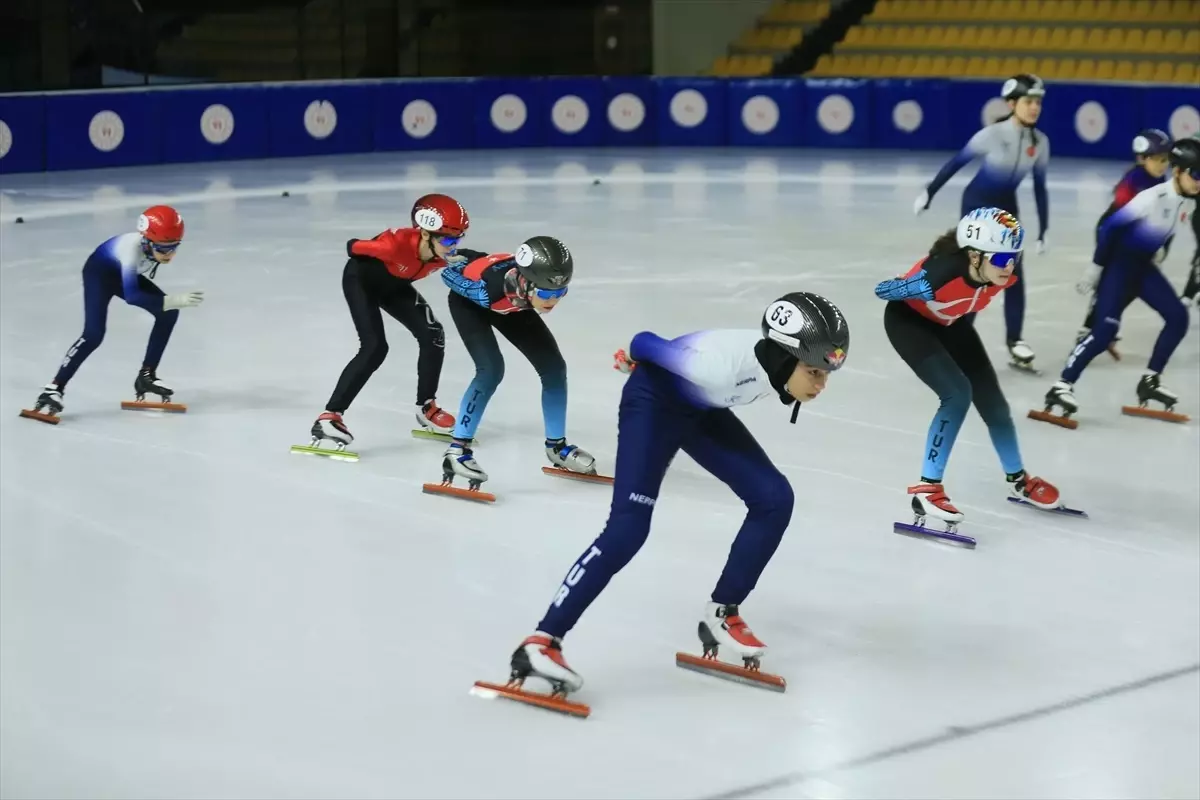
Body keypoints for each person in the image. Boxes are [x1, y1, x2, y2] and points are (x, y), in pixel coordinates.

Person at [485, 292, 849, 708]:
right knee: (627, 530)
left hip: (700, 410)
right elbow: (643, 339)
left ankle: (722, 615)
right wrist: (634, 359)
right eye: (815, 372)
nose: (821, 384)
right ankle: (541, 641)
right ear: (785, 357)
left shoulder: (770, 361)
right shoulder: (713, 366)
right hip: (653, 405)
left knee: (774, 499)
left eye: (826, 374)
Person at [874, 207, 1065, 534]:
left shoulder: (1000, 274)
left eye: (1014, 258)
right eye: (1003, 259)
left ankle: (1017, 480)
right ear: (975, 256)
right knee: (957, 394)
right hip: (909, 324)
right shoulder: (942, 272)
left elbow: (965, 303)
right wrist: (907, 287)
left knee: (995, 406)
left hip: (950, 324)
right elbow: (882, 290)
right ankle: (927, 490)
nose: (1010, 267)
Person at [1042, 138, 1199, 422]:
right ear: (1177, 172)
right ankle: (1061, 385)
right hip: (1119, 267)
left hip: (1143, 269)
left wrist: (1160, 248)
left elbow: (1171, 226)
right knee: (1103, 332)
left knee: (1178, 317)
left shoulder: (1188, 201)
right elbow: (1111, 227)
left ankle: (1150, 381)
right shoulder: (1152, 197)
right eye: (1196, 174)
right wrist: (1095, 268)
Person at [306, 193, 468, 453]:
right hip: (361, 281)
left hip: (394, 285)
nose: (454, 245)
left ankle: (427, 407)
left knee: (433, 334)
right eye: (449, 239)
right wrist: (377, 247)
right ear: (426, 233)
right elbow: (352, 246)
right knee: (375, 347)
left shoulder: (443, 255)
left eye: (458, 238)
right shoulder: (395, 244)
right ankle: (330, 417)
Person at [435, 235, 595, 491]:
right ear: (529, 284)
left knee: (554, 369)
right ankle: (457, 451)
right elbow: (449, 277)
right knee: (491, 370)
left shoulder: (528, 287)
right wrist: (452, 261)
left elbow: (485, 258)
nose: (553, 300)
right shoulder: (491, 290)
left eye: (560, 292)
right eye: (546, 293)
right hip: (471, 304)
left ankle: (556, 446)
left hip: (515, 305)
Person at [914, 74, 1050, 373]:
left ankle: (1015, 341)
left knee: (1013, 273)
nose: (1034, 107)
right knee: (979, 275)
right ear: (1012, 103)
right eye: (1028, 101)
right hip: (977, 204)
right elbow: (956, 163)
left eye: (1038, 102)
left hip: (1006, 209)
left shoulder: (1040, 143)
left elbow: (1040, 187)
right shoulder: (993, 134)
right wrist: (929, 192)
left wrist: (1044, 229)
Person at [21, 205, 200, 423]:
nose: (169, 254)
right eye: (162, 249)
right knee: (93, 334)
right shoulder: (130, 250)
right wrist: (172, 300)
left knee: (168, 313)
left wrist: (168, 304)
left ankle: (146, 376)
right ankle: (53, 388)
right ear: (145, 240)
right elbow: (133, 296)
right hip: (99, 276)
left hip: (123, 276)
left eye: (174, 247)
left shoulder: (150, 244)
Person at [1076, 128, 1173, 359]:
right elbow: (1120, 221)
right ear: (1142, 158)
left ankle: (1101, 326)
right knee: (1114, 284)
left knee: (1129, 287)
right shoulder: (1132, 182)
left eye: (1165, 159)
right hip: (1113, 233)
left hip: (1135, 238)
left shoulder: (1159, 178)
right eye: (1158, 159)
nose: (1163, 165)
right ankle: (1089, 331)